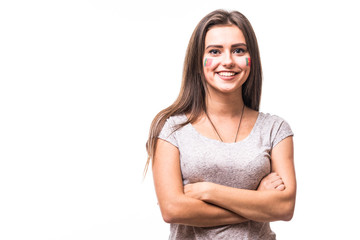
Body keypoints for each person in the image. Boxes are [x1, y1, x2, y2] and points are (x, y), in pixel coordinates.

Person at [145, 9, 296, 240]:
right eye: (215, 51)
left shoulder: (275, 129)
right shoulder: (170, 129)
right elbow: (173, 209)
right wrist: (258, 201)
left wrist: (208, 191)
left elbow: (284, 208)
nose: (228, 61)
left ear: (250, 59)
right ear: (198, 62)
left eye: (238, 50)